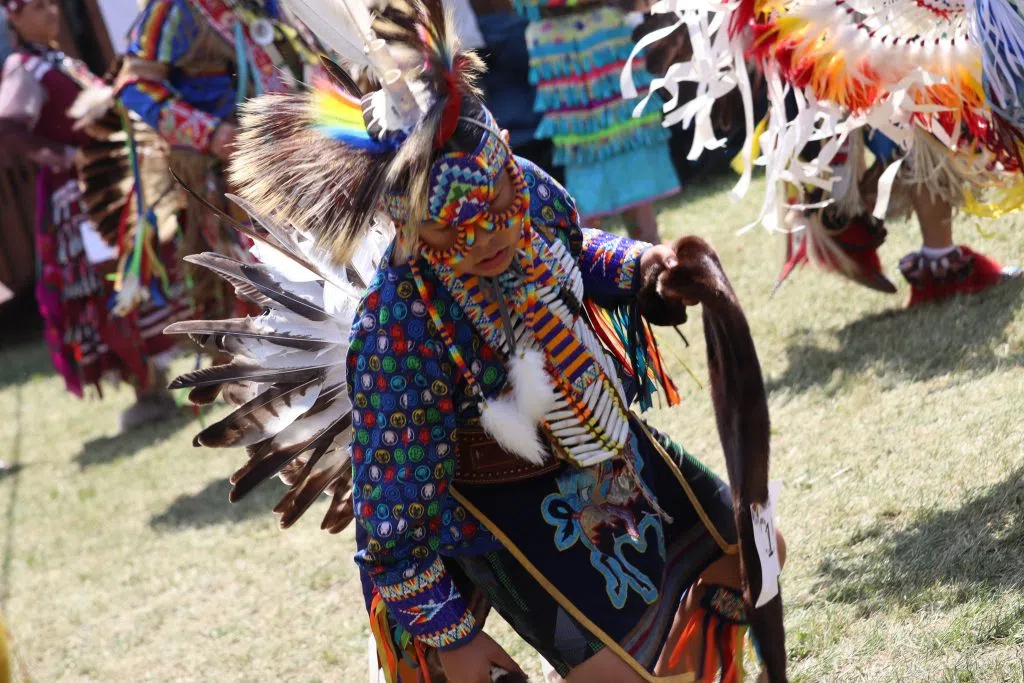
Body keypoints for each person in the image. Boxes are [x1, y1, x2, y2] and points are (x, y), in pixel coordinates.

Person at [166, 2, 789, 681]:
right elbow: (391, 526)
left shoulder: (530, 197)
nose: (490, 236)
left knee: (756, 553)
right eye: (451, 229)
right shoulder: (396, 335)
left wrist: (648, 273)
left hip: (606, 446)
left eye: (497, 208)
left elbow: (573, 253)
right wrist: (451, 633)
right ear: (408, 232)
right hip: (507, 514)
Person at [635, 0, 1024, 307]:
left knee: (911, 113)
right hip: (845, 31)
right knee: (914, 112)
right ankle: (911, 248)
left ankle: (855, 222)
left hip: (852, 31)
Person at [0, 0, 186, 430]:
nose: (52, 15)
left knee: (143, 273)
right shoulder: (24, 68)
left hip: (108, 190)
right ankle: (146, 389)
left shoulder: (57, 59)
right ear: (15, 16)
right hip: (83, 202)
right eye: (39, 8)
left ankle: (158, 382)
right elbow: (9, 125)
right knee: (113, 286)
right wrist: (62, 156)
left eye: (53, 6)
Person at [116, 0, 325, 319]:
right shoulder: (177, 10)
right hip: (233, 177)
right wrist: (210, 134)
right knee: (272, 290)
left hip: (301, 158)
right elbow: (134, 87)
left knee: (328, 270)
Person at [510, 0, 682, 242]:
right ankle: (604, 255)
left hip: (601, 30)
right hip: (560, 41)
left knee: (627, 142)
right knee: (585, 153)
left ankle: (646, 245)